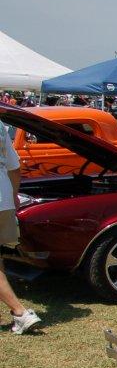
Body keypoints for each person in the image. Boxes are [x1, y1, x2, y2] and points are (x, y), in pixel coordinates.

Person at [0, 119, 41, 334]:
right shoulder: (0, 126)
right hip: (4, 196)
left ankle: (20, 313)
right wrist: (14, 194)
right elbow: (15, 168)